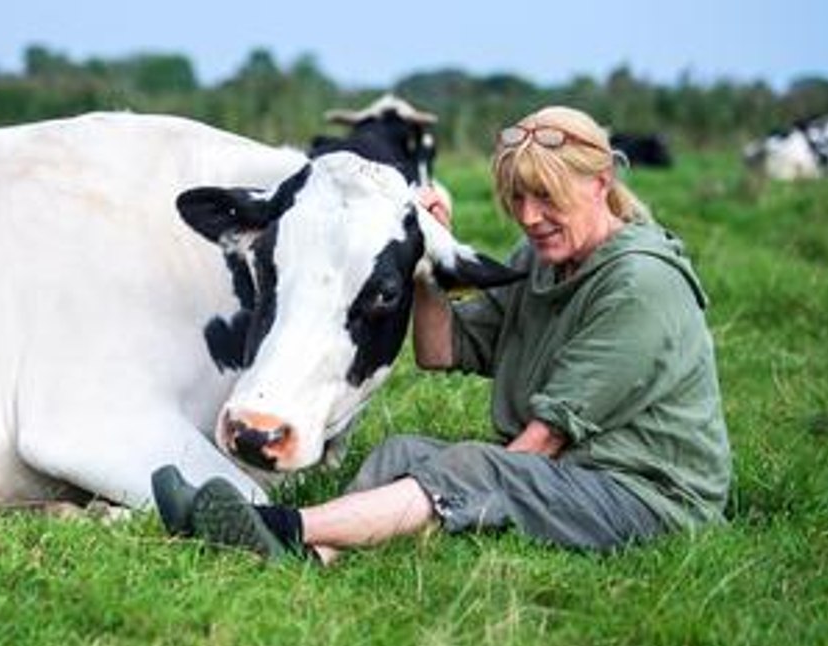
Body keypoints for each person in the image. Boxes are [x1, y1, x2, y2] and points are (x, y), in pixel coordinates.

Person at [152, 105, 732, 563]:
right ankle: (317, 553)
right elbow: (439, 352)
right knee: (402, 451)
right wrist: (427, 254)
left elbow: (541, 443)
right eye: (518, 198)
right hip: (573, 473)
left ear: (601, 182)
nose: (530, 217)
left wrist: (470, 480)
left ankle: (278, 529)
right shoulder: (540, 262)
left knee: (476, 468)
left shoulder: (640, 284)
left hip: (645, 497)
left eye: (547, 197)